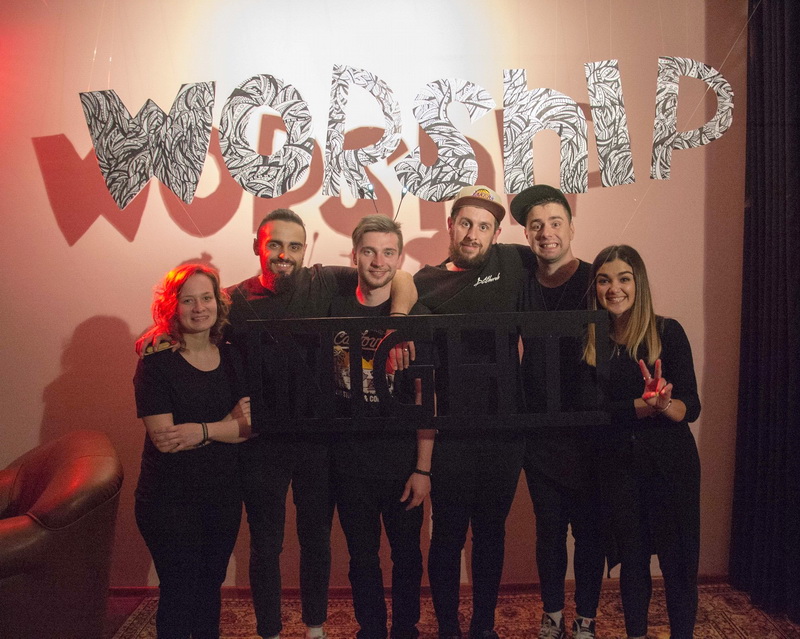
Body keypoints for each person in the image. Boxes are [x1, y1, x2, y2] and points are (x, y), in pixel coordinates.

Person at [136, 209, 417, 639]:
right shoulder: (234, 299)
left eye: (294, 246)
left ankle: (315, 629)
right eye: (275, 245)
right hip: (259, 441)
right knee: (265, 545)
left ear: (306, 250)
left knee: (316, 541)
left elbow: (402, 278)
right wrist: (157, 332)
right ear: (258, 246)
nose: (284, 254)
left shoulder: (324, 281)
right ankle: (269, 631)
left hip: (317, 440)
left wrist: (398, 325)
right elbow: (194, 312)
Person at [414, 185, 534, 639]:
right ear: (450, 225)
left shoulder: (513, 261)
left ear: (496, 233)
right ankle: (448, 627)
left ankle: (484, 626)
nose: (473, 234)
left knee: (490, 533)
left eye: (484, 226)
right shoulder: (424, 281)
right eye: (465, 222)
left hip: (504, 429)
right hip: (451, 432)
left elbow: (557, 263)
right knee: (446, 534)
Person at [583, 245, 701, 639]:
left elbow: (691, 407)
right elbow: (594, 413)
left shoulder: (668, 332)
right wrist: (640, 405)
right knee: (633, 563)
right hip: (619, 468)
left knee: (678, 564)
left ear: (639, 284)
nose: (613, 288)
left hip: (672, 466)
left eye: (623, 279)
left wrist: (664, 405)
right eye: (604, 280)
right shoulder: (590, 341)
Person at [133, 264, 252, 639]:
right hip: (168, 500)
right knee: (180, 590)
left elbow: (250, 426)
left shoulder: (233, 357)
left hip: (222, 496)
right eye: (188, 300)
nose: (199, 308)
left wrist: (200, 430)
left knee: (209, 587)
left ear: (218, 302)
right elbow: (166, 440)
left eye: (206, 298)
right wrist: (226, 426)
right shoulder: (156, 363)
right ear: (172, 306)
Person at [330, 215, 434, 639]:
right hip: (350, 459)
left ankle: (406, 629)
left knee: (407, 556)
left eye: (389, 252)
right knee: (361, 557)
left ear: (400, 257)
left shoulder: (416, 315)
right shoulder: (334, 306)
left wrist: (423, 468)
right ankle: (370, 629)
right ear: (354, 254)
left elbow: (427, 398)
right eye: (369, 251)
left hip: (401, 459)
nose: (378, 261)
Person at [509, 186, 605, 639]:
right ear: (527, 234)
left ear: (571, 227)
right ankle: (552, 614)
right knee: (548, 531)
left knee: (589, 531)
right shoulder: (522, 282)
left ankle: (586, 618)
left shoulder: (595, 280)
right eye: (536, 226)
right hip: (541, 430)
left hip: (591, 430)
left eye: (554, 223)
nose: (546, 233)